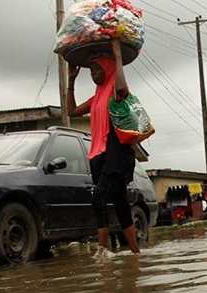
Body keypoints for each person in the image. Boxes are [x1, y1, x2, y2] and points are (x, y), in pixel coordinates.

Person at [66, 40, 139, 255]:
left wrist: (117, 57)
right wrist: (71, 81)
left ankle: (102, 252)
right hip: (98, 155)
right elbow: (71, 111)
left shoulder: (115, 91)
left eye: (97, 69)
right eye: (91, 71)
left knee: (98, 197)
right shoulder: (96, 96)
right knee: (120, 203)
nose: (93, 74)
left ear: (107, 69)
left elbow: (123, 88)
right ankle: (136, 254)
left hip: (117, 154)